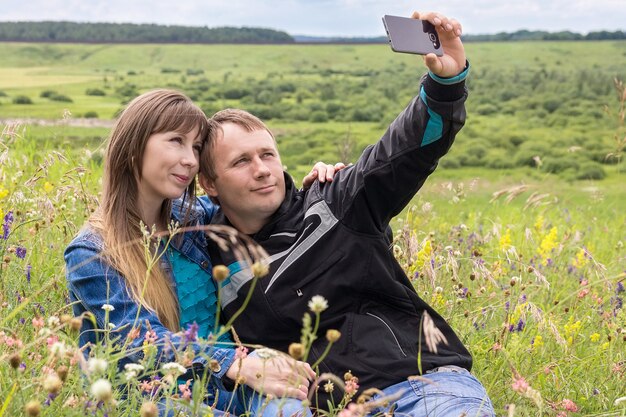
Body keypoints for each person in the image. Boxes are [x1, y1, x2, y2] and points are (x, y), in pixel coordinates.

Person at [198, 11, 495, 417]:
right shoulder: (200, 247)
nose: (263, 169)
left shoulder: (335, 202)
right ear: (209, 184)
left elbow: (404, 152)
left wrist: (446, 84)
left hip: (419, 384)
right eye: (241, 162)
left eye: (268, 154)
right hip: (312, 404)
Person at [64, 89, 344, 416]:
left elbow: (253, 204)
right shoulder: (92, 251)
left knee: (289, 406)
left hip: (233, 384)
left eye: (195, 147)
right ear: (134, 145)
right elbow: (142, 343)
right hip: (154, 398)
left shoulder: (197, 219)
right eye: (176, 141)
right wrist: (235, 363)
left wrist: (316, 192)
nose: (190, 160)